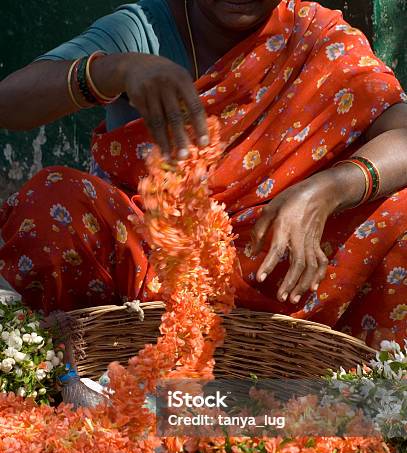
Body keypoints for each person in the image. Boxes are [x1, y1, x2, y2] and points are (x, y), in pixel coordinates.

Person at [0, 0, 406, 347]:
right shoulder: (145, 28)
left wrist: (329, 189)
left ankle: (366, 398)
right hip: (150, 267)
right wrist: (114, 70)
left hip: (274, 267)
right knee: (54, 201)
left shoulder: (317, 36)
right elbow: (11, 103)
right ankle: (48, 373)